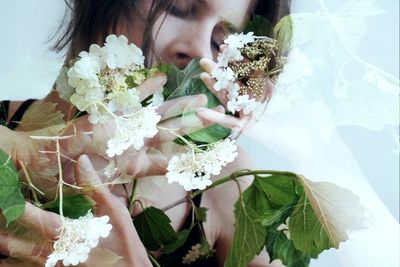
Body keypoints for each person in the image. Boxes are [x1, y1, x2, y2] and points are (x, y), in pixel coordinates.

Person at [0, 0, 290, 266]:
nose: (201, 52)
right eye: (177, 6)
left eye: (220, 42)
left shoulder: (230, 186)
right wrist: (32, 158)